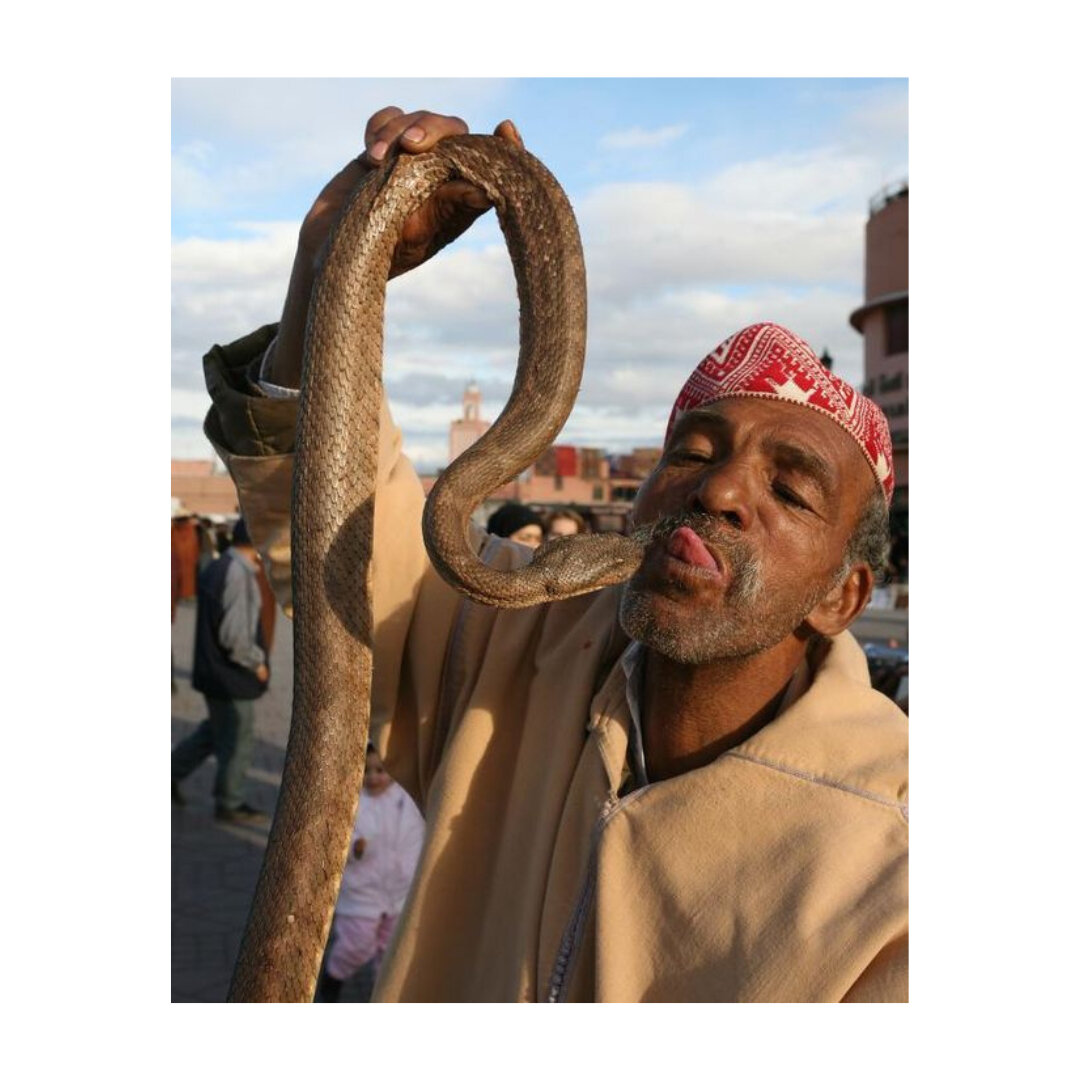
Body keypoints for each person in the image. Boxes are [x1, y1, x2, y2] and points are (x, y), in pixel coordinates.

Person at [200, 107, 907, 1000]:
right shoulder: (519, 651)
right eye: (692, 452)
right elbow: (342, 544)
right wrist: (335, 266)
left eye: (791, 490)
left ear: (844, 597)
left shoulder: (894, 875)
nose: (720, 490)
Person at [171, 516, 271, 824]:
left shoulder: (221, 566)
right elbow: (234, 636)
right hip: (230, 675)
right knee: (238, 737)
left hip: (214, 672)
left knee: (214, 732)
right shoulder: (238, 575)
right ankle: (231, 802)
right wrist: (257, 663)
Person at [316, 744, 425, 1002]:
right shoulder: (350, 802)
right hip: (362, 894)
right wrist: (354, 848)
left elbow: (422, 830)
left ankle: (384, 993)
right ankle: (334, 976)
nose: (373, 777)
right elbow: (332, 844)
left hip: (400, 893)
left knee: (392, 951)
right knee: (357, 945)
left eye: (380, 770)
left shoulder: (406, 797)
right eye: (366, 770)